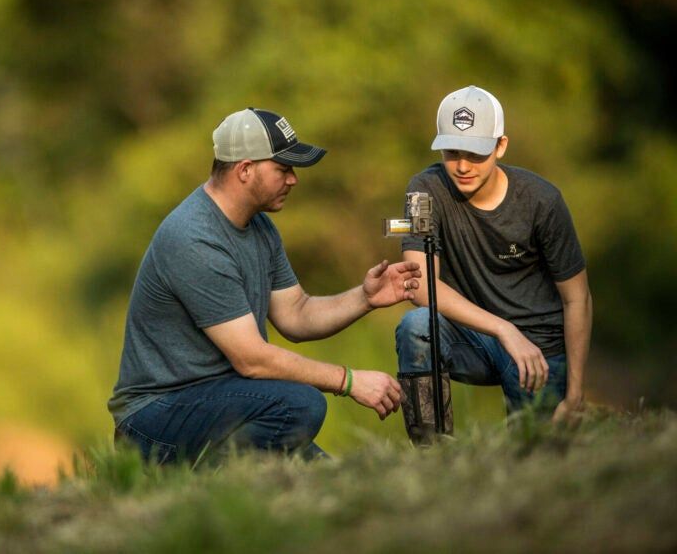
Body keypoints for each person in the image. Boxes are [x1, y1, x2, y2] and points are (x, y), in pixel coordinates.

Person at [109, 107, 420, 463]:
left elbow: (296, 315)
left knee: (329, 474)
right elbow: (252, 359)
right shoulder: (194, 238)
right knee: (301, 404)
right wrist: (349, 381)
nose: (293, 180)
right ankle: (201, 477)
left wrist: (365, 297)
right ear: (245, 170)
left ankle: (239, 472)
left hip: (222, 401)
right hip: (154, 419)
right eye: (283, 169)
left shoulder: (260, 228)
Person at [395, 86, 593, 443]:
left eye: (476, 152)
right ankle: (431, 453)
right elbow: (419, 284)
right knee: (416, 325)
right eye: (452, 152)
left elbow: (577, 298)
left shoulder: (543, 201)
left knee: (535, 450)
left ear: (500, 146)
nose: (463, 165)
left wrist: (576, 393)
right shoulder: (423, 191)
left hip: (539, 348)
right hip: (474, 337)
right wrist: (503, 329)